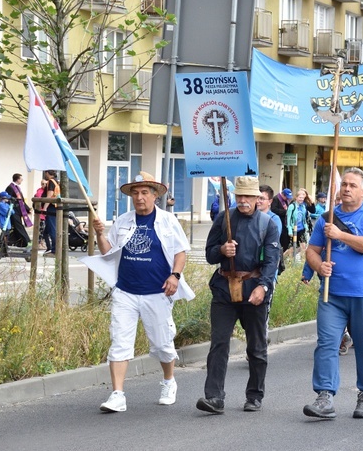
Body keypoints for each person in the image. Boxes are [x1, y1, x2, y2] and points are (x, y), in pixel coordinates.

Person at [86, 171, 193, 413]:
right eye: (135, 193)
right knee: (119, 343)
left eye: (145, 192)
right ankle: (117, 395)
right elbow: (108, 252)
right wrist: (99, 234)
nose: (139, 197)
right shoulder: (123, 220)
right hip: (126, 291)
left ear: (155, 195)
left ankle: (168, 381)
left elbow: (180, 251)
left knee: (162, 343)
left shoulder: (167, 220)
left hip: (157, 292)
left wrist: (175, 276)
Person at [302, 168, 363, 420]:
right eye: (344, 184)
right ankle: (325, 395)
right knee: (327, 344)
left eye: (352, 185)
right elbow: (311, 250)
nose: (347, 188)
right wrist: (319, 266)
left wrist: (340, 235)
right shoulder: (327, 217)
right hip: (333, 293)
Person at [196, 176, 280, 415]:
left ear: (257, 198)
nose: (243, 201)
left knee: (256, 346)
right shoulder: (223, 219)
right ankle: (214, 397)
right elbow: (210, 255)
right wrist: (222, 250)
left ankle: (254, 395)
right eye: (239, 196)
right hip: (224, 288)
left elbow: (272, 261)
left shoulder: (267, 224)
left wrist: (263, 287)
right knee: (219, 344)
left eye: (248, 197)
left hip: (253, 288)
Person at [287, 188, 311, 255]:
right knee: (292, 248)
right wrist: (289, 230)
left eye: (303, 198)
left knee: (303, 246)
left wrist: (306, 227)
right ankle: (283, 258)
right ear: (296, 197)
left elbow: (304, 218)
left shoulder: (303, 206)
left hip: (301, 228)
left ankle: (301, 261)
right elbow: (288, 219)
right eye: (300, 197)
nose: (301, 199)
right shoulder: (292, 206)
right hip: (293, 228)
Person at [42, 170, 60, 255]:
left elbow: (49, 195)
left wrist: (44, 208)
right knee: (46, 231)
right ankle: (50, 248)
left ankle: (54, 250)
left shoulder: (51, 182)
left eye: (46, 173)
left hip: (51, 207)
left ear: (48, 173)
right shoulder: (57, 181)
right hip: (55, 206)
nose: (45, 174)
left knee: (52, 229)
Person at [33, 179, 47, 250]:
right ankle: (38, 243)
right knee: (41, 229)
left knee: (44, 229)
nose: (43, 185)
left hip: (46, 214)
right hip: (41, 213)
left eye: (45, 184)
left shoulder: (48, 191)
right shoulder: (39, 191)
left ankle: (42, 242)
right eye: (42, 184)